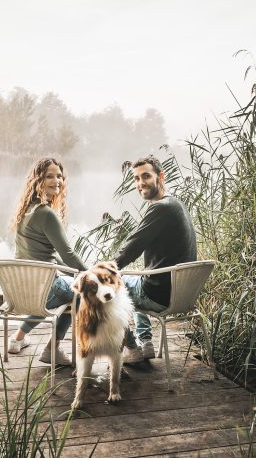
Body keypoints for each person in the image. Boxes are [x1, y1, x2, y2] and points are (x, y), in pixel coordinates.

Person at [112, 155, 197, 363]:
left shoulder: (160, 208)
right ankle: (146, 342)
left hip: (159, 296)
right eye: (136, 178)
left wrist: (106, 270)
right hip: (181, 295)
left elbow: (132, 247)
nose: (141, 183)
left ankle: (132, 348)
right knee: (137, 280)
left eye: (146, 176)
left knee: (110, 288)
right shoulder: (176, 204)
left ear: (161, 176)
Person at [7, 157, 87, 366]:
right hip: (44, 288)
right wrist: (90, 274)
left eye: (59, 176)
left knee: (60, 289)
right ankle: (53, 349)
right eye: (49, 176)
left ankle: (18, 339)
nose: (57, 180)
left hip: (22, 288)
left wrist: (73, 272)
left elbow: (49, 254)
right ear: (37, 180)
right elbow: (68, 254)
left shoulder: (27, 210)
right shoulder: (46, 213)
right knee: (80, 293)